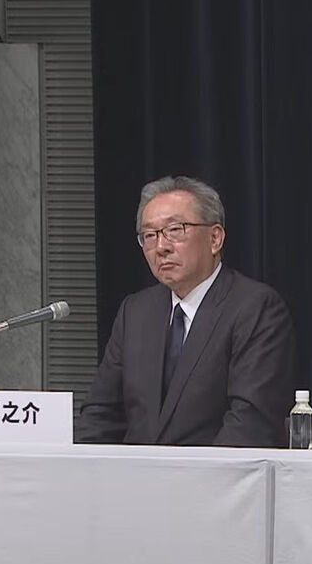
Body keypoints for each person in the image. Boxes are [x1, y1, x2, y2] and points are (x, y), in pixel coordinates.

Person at [76, 176, 297, 446]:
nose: (161, 247)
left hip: (214, 472)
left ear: (215, 238)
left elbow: (250, 424)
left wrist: (187, 474)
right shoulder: (135, 312)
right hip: (136, 472)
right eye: (150, 235)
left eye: (175, 230)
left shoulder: (255, 308)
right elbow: (100, 415)